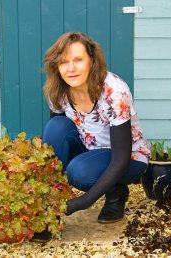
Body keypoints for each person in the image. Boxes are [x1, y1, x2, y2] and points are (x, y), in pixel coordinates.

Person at [41, 32, 150, 230]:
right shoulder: (58, 90)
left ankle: (116, 195)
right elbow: (56, 137)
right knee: (56, 126)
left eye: (78, 60)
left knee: (80, 173)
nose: (71, 68)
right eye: (64, 62)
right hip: (89, 149)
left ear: (92, 60)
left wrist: (82, 202)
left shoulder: (114, 92)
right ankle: (48, 210)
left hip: (128, 158)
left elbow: (121, 159)